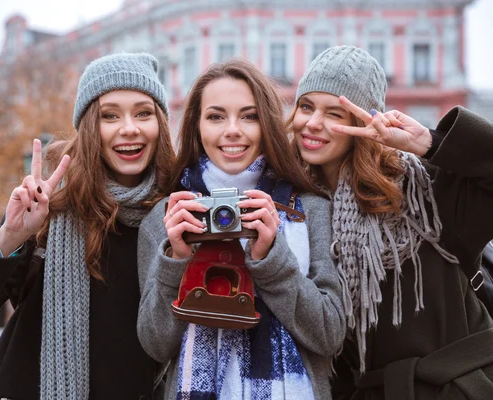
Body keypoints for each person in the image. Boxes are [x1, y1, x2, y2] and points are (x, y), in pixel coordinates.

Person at [288, 45, 493, 399]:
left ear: (364, 120)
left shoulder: (424, 190)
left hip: (464, 389)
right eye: (306, 106)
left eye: (334, 112)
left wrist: (431, 142)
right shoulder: (295, 208)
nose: (313, 123)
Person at [0, 53, 175, 400]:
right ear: (91, 126)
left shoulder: (176, 216)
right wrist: (11, 236)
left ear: (159, 123)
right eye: (110, 115)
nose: (129, 128)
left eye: (143, 113)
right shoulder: (50, 208)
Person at [136, 59, 346, 399]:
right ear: (196, 126)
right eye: (216, 116)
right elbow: (155, 344)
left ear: (268, 125)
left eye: (249, 116)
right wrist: (175, 259)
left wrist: (271, 259)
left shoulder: (310, 210)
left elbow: (329, 334)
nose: (232, 130)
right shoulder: (169, 215)